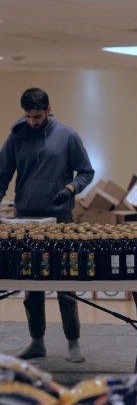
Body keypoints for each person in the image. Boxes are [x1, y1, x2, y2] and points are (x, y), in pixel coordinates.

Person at [0, 87, 95, 362]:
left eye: (37, 116)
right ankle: (36, 341)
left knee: (65, 282)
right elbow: (3, 175)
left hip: (60, 218)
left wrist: (70, 188)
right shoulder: (16, 137)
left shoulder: (67, 136)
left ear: (49, 109)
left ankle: (73, 343)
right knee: (32, 285)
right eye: (28, 116)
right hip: (26, 219)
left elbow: (86, 171)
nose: (33, 122)